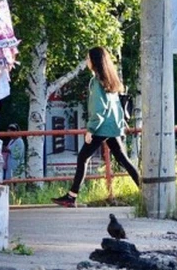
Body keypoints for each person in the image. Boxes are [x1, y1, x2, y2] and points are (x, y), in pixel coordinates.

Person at [53, 47, 140, 207]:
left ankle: (71, 197)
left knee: (83, 157)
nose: (87, 61)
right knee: (123, 160)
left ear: (94, 61)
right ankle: (146, 191)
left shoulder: (96, 82)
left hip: (101, 127)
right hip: (112, 126)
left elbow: (98, 108)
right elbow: (114, 107)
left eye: (88, 58)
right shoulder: (110, 80)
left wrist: (91, 129)